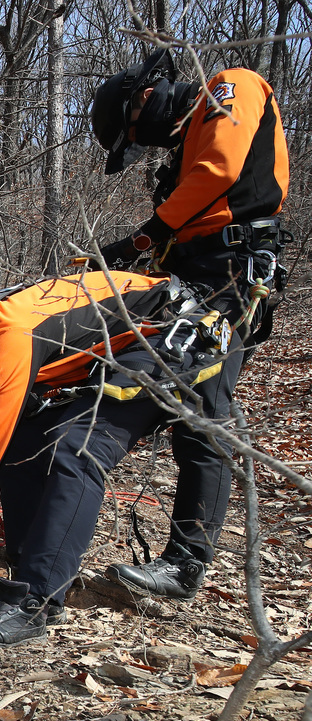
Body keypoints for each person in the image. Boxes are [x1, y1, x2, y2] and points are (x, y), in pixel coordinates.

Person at [0, 263, 229, 651]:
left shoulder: (6, 330)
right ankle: (23, 580)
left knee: (76, 447)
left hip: (175, 331)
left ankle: (34, 602)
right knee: (22, 446)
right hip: (111, 354)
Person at [90, 51, 289, 599]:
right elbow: (182, 225)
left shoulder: (231, 85)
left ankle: (186, 564)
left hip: (233, 272)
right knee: (189, 404)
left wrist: (143, 237)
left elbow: (222, 169)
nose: (146, 146)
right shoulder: (183, 150)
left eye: (135, 134)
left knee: (204, 414)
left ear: (145, 97)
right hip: (197, 273)